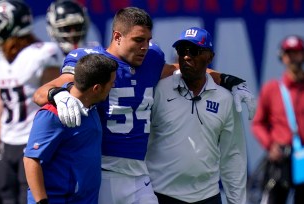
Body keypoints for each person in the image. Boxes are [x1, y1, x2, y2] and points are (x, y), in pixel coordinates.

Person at [32, 7, 255, 204]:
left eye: (148, 40)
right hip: (104, 169)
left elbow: (183, 69)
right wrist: (56, 94)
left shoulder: (152, 59)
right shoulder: (95, 62)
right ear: (117, 37)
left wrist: (225, 79)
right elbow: (43, 92)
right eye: (138, 40)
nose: (145, 47)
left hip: (139, 175)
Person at [145, 27, 247, 204]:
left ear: (210, 57)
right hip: (160, 195)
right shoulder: (159, 90)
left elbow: (233, 156)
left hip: (207, 197)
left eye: (194, 51)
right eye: (181, 51)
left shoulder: (224, 99)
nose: (186, 56)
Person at [23, 54, 118, 204]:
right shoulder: (52, 114)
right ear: (97, 88)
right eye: (111, 83)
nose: (113, 87)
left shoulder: (91, 106)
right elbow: (31, 160)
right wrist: (41, 201)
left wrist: (64, 89)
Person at [0, 0, 64, 203]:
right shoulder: (1, 58)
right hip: (8, 143)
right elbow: (0, 104)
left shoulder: (42, 53)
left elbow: (53, 96)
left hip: (33, 141)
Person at [252, 35, 304, 204]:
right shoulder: (272, 89)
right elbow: (258, 123)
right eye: (289, 53)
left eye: (297, 53)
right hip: (281, 159)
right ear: (282, 57)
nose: (293, 58)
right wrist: (270, 145)